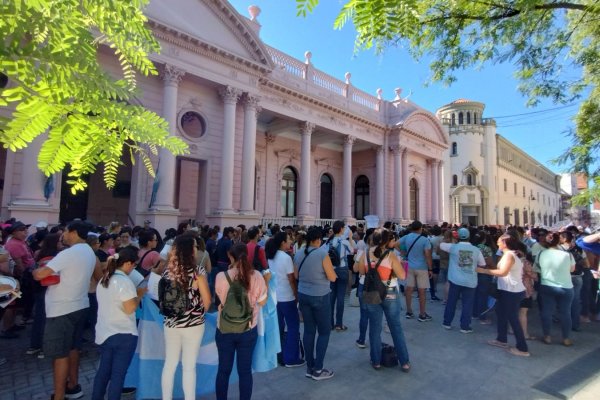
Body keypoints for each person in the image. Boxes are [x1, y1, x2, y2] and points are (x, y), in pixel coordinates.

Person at [32, 221, 97, 399]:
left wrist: (35, 269)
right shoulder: (89, 251)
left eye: (66, 231)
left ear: (74, 232)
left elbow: (41, 274)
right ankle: (73, 385)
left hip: (62, 308)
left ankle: (59, 395)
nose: (63, 235)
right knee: (73, 348)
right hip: (80, 304)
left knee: (59, 353)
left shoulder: (69, 253)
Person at [92, 247, 146, 400]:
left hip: (105, 332)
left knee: (103, 372)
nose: (134, 268)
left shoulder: (105, 279)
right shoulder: (124, 282)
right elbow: (130, 308)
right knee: (118, 375)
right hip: (123, 334)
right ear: (128, 263)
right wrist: (140, 295)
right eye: (134, 265)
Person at [161, 235, 211, 400]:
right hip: (193, 324)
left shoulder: (168, 270)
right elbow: (207, 301)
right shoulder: (197, 272)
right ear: (189, 250)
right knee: (189, 367)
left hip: (171, 323)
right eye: (195, 246)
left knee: (170, 364)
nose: (197, 249)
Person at [215, 243, 268, 400]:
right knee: (244, 372)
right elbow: (263, 302)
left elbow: (221, 299)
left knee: (223, 370)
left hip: (224, 329)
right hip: (248, 329)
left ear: (231, 257)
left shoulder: (221, 276)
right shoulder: (257, 276)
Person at [358, 229, 410, 370]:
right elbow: (402, 276)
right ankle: (404, 361)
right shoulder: (390, 255)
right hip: (389, 291)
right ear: (386, 241)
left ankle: (376, 361)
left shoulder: (366, 253)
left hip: (371, 291)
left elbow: (361, 272)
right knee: (395, 327)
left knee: (374, 328)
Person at [293, 227, 337, 380]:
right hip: (320, 296)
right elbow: (332, 277)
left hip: (303, 295)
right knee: (324, 332)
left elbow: (296, 275)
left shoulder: (298, 253)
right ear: (318, 240)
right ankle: (318, 369)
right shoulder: (321, 254)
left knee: (309, 331)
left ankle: (309, 367)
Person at [477, 234, 529, 357]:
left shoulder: (510, 255)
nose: (497, 243)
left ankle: (522, 348)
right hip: (506, 290)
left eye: (499, 241)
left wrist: (483, 270)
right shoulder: (510, 254)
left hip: (512, 291)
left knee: (513, 318)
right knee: (501, 313)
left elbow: (503, 272)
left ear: (505, 243)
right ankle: (501, 339)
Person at [266, 232, 303, 367]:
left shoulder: (271, 256)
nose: (291, 242)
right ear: (282, 242)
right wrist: (296, 295)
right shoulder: (285, 257)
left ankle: (279, 355)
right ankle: (291, 358)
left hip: (276, 296)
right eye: (288, 240)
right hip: (287, 296)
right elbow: (291, 279)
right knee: (293, 327)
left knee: (279, 327)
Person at [440, 228, 486, 333]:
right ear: (469, 237)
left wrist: (449, 236)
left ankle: (447, 322)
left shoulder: (453, 247)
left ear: (458, 237)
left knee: (451, 301)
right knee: (467, 304)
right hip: (470, 280)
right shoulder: (476, 250)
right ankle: (465, 326)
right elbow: (482, 264)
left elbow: (442, 245)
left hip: (455, 279)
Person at [537, 232, 575, 346]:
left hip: (547, 285)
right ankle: (566, 338)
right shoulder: (567, 255)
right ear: (559, 241)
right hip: (566, 286)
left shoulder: (541, 253)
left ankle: (547, 336)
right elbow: (572, 269)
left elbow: (538, 268)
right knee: (565, 312)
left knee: (547, 311)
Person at [399, 220, 433, 321]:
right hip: (421, 267)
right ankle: (422, 314)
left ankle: (409, 311)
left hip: (409, 266)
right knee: (422, 291)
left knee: (408, 290)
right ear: (421, 228)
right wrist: (430, 268)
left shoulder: (407, 237)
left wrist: (403, 252)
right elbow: (427, 255)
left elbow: (395, 244)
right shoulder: (424, 240)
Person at [327, 220, 354, 331]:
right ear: (342, 229)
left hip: (332, 269)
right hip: (342, 269)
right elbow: (352, 251)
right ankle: (339, 323)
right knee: (341, 297)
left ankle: (330, 323)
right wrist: (351, 238)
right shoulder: (344, 242)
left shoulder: (328, 242)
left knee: (331, 296)